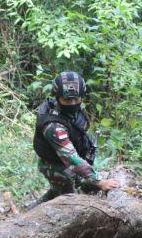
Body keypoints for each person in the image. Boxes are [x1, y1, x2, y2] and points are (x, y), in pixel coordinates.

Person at [32, 71, 120, 205]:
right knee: (69, 201)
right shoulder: (53, 126)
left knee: (77, 186)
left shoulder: (76, 110)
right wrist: (100, 182)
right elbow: (71, 158)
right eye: (67, 100)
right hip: (54, 165)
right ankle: (36, 210)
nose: (72, 103)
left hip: (69, 161)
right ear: (57, 97)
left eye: (76, 99)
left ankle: (39, 203)